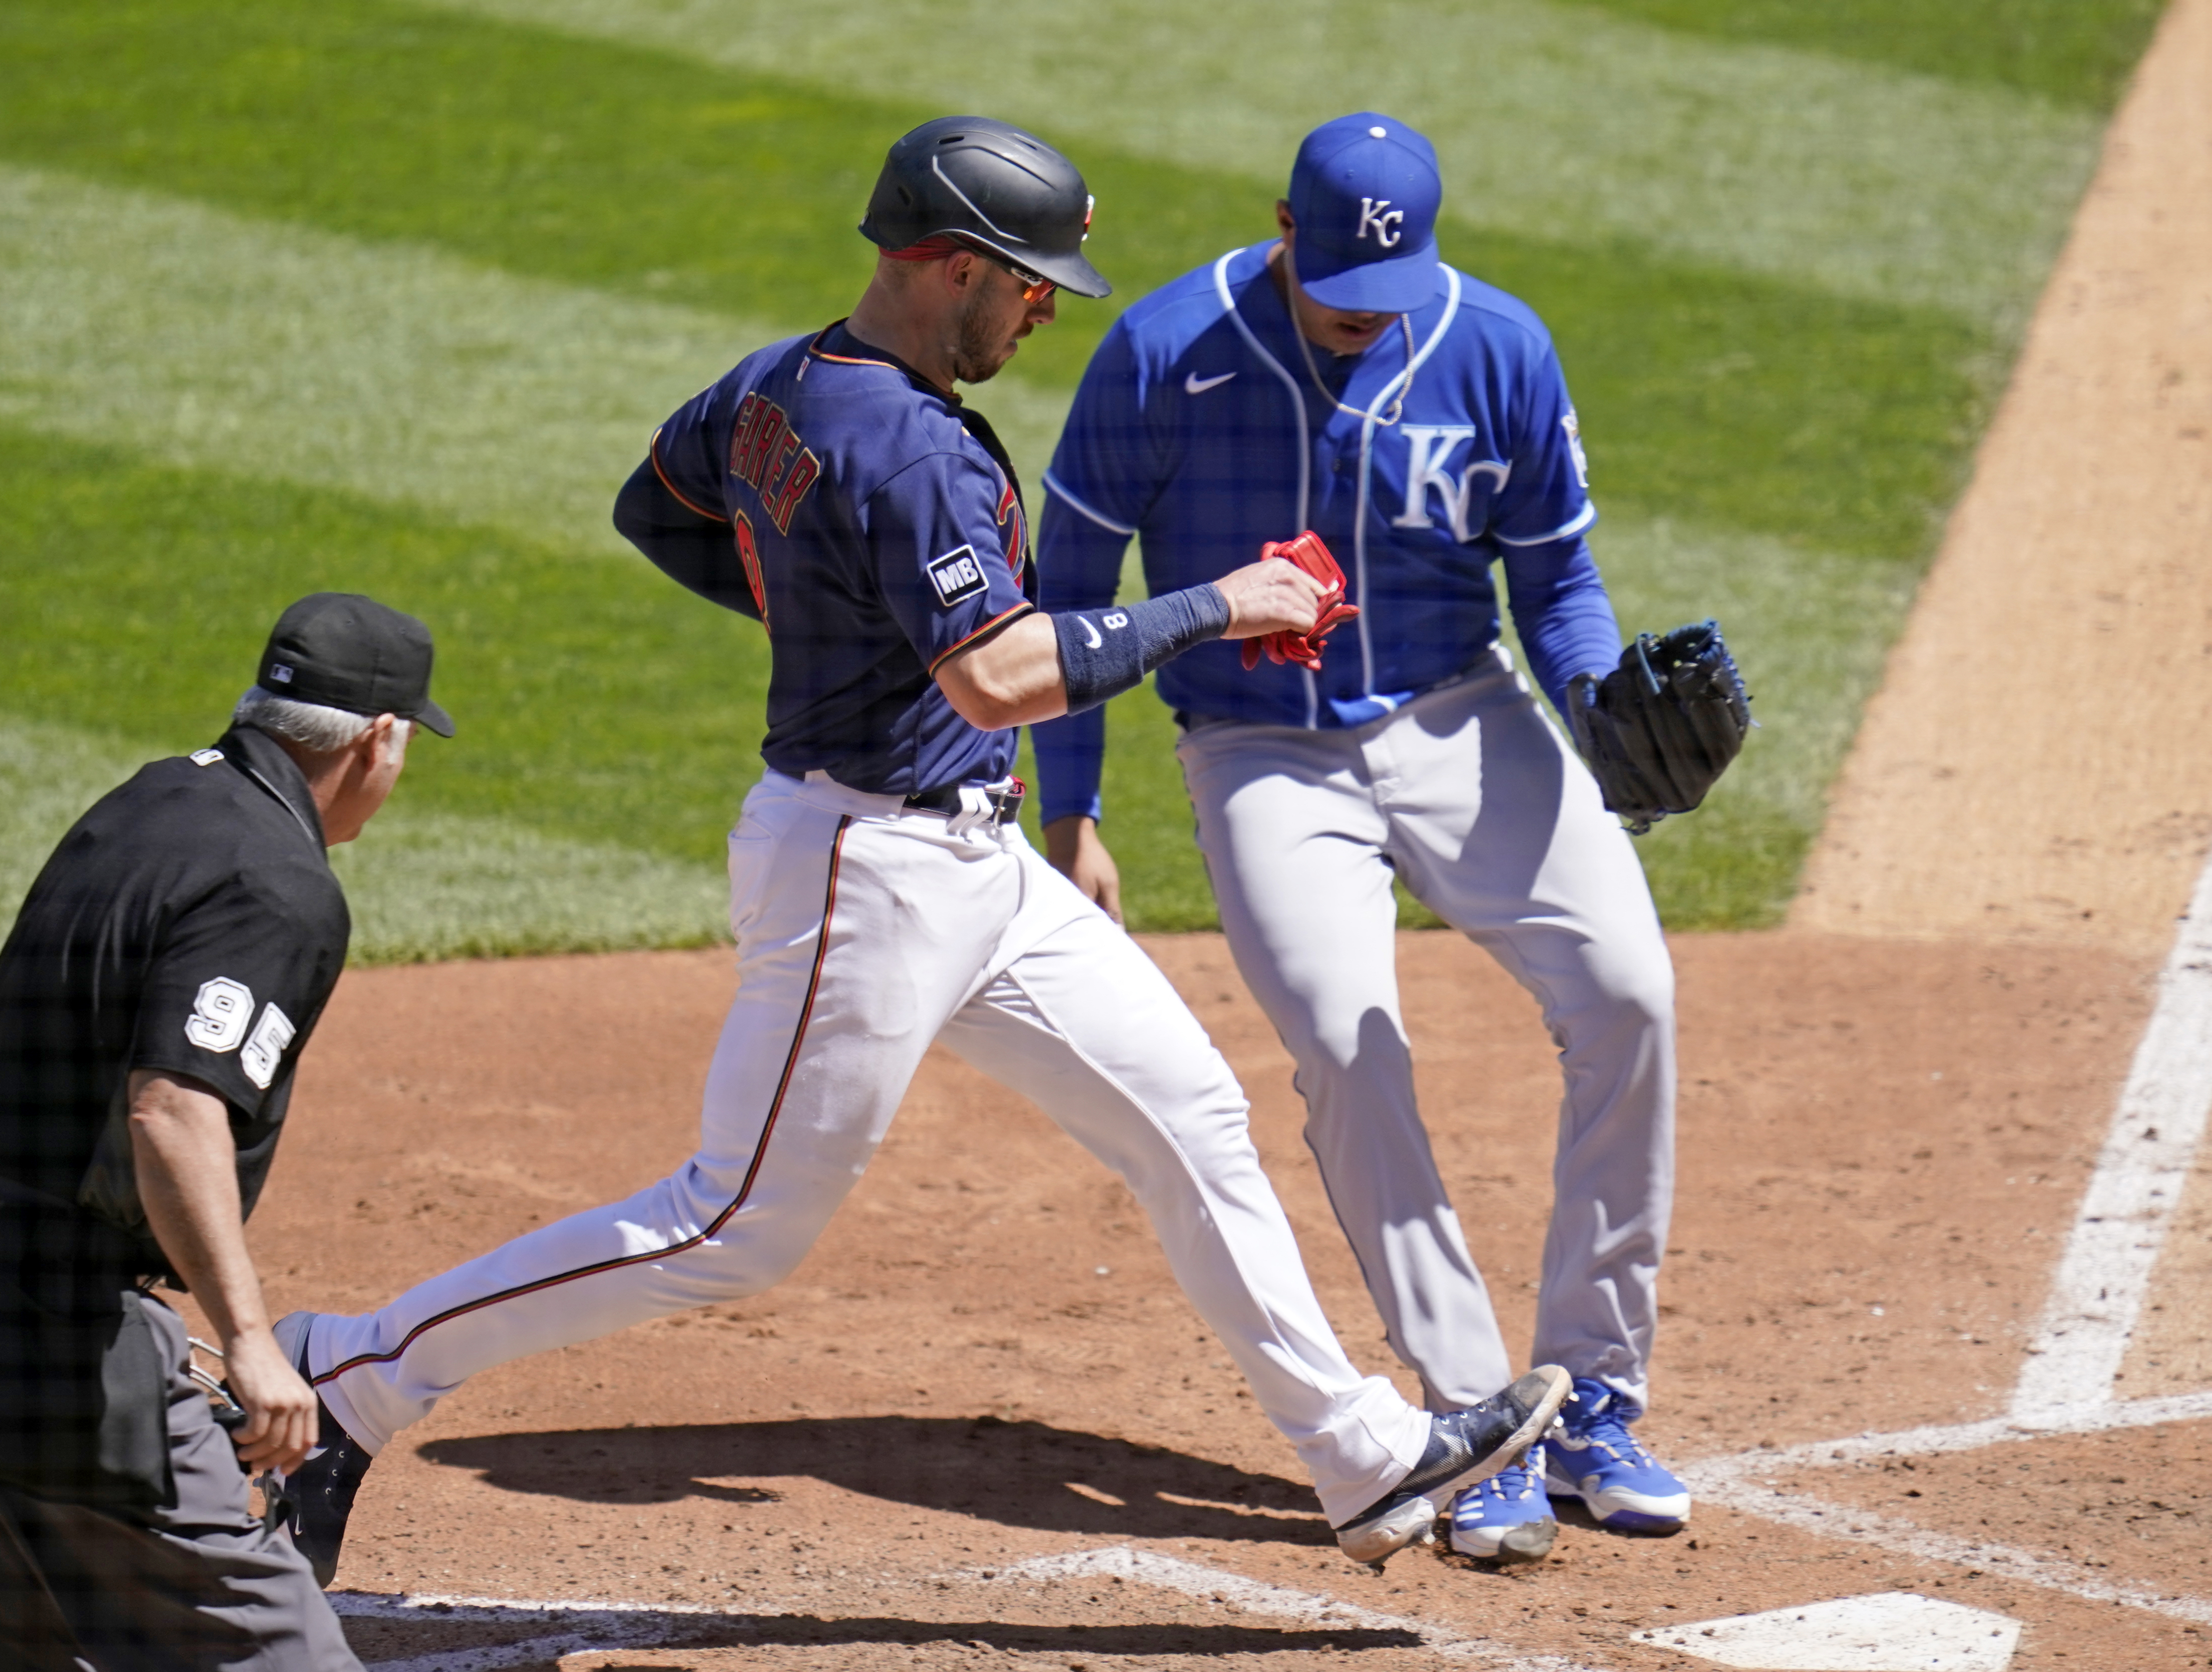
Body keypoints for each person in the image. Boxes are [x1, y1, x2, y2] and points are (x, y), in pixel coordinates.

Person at [272, 115, 1565, 1583]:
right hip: (867, 870)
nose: (1040, 310)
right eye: (1027, 285)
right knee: (734, 1221)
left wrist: (837, 619)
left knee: (1190, 1113)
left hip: (980, 868)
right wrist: (1219, 604)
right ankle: (351, 1372)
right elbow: (1001, 678)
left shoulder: (778, 382)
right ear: (953, 265)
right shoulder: (912, 446)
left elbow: (664, 510)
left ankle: (1363, 1457)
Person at [1030, 113, 1688, 1563]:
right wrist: (1066, 814)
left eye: (1383, 299)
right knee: (1346, 1040)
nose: (1355, 321)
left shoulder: (1496, 345)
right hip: (1259, 743)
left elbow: (1556, 579)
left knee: (1631, 991)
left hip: (1462, 712)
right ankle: (1475, 1416)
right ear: (1280, 228)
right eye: (1333, 289)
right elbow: (1065, 586)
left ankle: (1595, 1395)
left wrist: (1597, 711)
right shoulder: (1161, 351)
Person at [0, 593, 450, 1667]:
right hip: (41, 1322)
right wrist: (249, 1338)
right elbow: (173, 1108)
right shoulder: (280, 885)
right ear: (379, 737)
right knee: (273, 1646)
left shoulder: (155, 796)